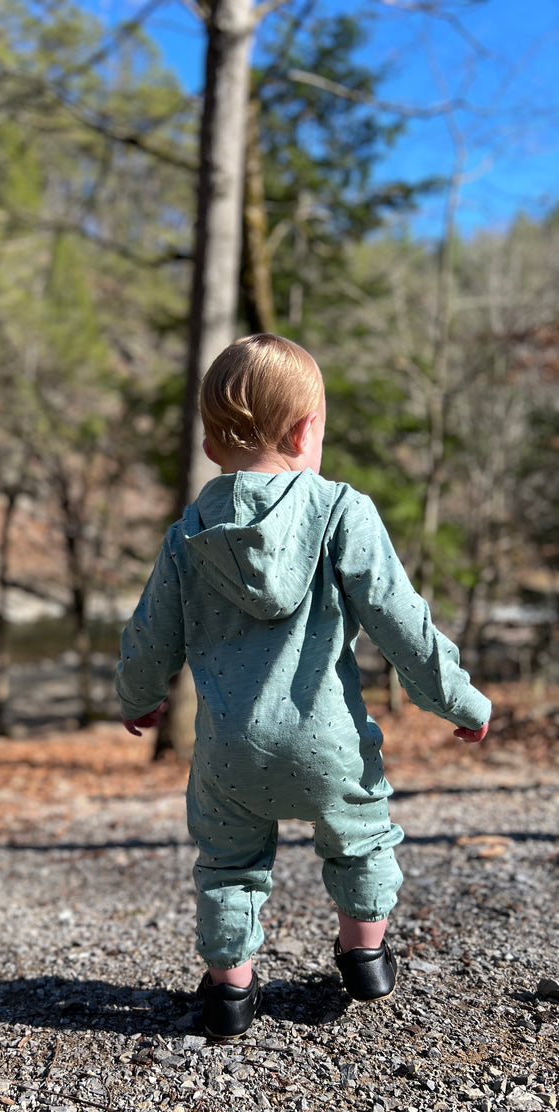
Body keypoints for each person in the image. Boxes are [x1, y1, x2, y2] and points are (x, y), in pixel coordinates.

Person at [115, 333, 490, 1039]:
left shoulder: (189, 533)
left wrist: (137, 697)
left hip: (228, 751)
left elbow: (149, 635)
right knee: (361, 841)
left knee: (228, 865)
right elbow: (402, 622)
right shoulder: (342, 510)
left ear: (208, 445)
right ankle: (365, 954)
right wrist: (459, 700)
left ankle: (230, 992)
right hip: (330, 746)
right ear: (304, 430)